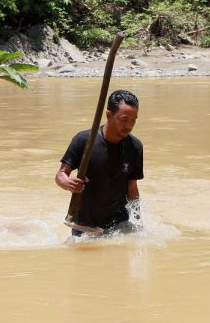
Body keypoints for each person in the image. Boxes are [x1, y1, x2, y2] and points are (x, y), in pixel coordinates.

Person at [56, 89, 144, 234]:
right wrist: (67, 183)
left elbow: (132, 189)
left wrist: (138, 222)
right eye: (124, 120)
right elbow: (61, 174)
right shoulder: (84, 140)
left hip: (120, 226)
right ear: (109, 115)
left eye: (133, 120)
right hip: (84, 226)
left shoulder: (135, 147)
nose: (129, 126)